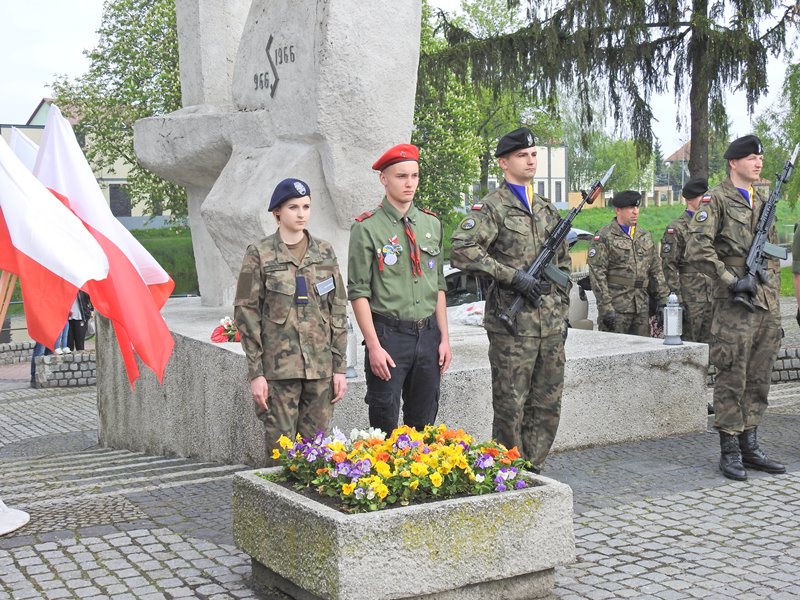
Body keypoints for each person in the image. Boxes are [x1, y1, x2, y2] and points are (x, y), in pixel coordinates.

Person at [450, 127, 570, 473]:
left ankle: (535, 469)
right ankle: (507, 473)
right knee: (510, 406)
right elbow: (462, 249)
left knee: (547, 403)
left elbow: (562, 265)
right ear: (504, 163)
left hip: (549, 326)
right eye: (522, 155)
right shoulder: (493, 207)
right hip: (512, 326)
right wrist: (512, 276)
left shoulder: (547, 209)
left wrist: (561, 314)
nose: (530, 160)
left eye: (533, 154)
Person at [686, 134, 785, 481]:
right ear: (733, 162)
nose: (758, 163)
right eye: (751, 158)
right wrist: (731, 280)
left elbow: (772, 255)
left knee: (759, 376)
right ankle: (729, 449)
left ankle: (751, 444)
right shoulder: (716, 199)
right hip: (734, 304)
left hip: (765, 303)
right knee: (732, 375)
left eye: (760, 158)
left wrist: (772, 295)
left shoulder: (763, 200)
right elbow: (696, 249)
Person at [234, 178, 348, 463]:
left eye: (306, 207)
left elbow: (337, 309)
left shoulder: (324, 252)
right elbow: (245, 313)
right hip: (278, 371)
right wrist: (256, 373)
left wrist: (339, 367)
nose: (301, 214)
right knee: (280, 455)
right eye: (293, 207)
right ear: (277, 212)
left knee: (317, 455)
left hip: (320, 369)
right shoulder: (258, 253)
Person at [347, 143, 452, 435]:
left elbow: (438, 286)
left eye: (414, 176)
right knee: (384, 428)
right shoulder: (367, 228)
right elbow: (358, 292)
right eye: (401, 176)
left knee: (423, 426)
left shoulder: (431, 224)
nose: (409, 183)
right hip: (389, 337)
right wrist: (374, 346)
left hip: (428, 336)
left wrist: (444, 339)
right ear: (384, 179)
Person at [588, 190, 668, 336]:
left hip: (641, 306)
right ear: (618, 210)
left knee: (642, 347)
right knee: (615, 348)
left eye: (637, 207)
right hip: (617, 307)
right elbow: (597, 275)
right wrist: (606, 307)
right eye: (631, 208)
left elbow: (656, 270)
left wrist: (663, 300)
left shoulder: (644, 236)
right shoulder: (604, 237)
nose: (635, 211)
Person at [661, 178, 715, 344]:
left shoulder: (711, 225)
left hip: (712, 294)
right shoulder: (676, 228)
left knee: (712, 344)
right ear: (690, 199)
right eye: (701, 198)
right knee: (689, 342)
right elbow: (669, 265)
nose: (705, 202)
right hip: (690, 296)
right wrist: (676, 297)